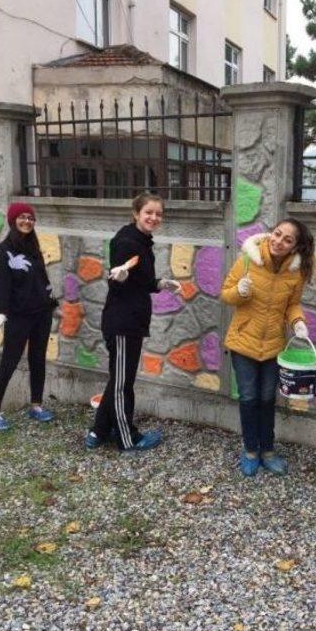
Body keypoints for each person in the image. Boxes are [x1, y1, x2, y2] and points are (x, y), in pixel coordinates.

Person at [85, 192, 181, 453]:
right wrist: (120, 276)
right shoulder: (126, 241)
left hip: (133, 321)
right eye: (149, 212)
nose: (154, 217)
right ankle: (128, 439)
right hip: (123, 323)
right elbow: (117, 278)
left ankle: (98, 431)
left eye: (158, 214)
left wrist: (160, 284)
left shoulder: (143, 241)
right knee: (122, 384)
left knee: (119, 379)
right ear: (136, 213)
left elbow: (142, 281)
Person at [221, 220, 315, 476]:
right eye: (277, 234)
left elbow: (293, 305)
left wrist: (298, 323)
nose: (279, 241)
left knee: (267, 399)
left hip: (274, 346)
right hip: (243, 344)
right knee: (249, 398)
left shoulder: (296, 273)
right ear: (270, 234)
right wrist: (239, 292)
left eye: (288, 239)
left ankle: (268, 451)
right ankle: (251, 450)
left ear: (296, 246)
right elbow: (225, 294)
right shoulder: (248, 260)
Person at [0, 202, 57, 431]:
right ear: (13, 220)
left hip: (41, 314)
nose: (27, 221)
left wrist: (50, 300)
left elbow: (42, 279)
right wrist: (2, 313)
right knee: (9, 362)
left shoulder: (33, 247)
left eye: (30, 218)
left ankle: (36, 406)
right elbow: (1, 286)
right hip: (18, 317)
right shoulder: (3, 251)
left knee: (38, 360)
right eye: (22, 217)